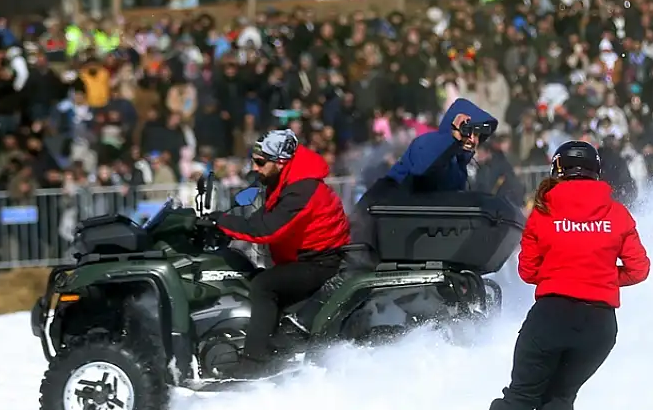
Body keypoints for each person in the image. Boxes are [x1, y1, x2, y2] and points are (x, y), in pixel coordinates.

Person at [444, 140, 652, 410]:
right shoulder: (617, 214)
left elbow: (527, 271)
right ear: (596, 170)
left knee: (522, 393)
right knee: (561, 396)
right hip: (600, 326)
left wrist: (566, 275)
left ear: (558, 169)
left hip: (552, 314)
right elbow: (639, 269)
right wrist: (599, 279)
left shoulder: (543, 211)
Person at [204, 129, 351, 378]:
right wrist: (224, 225)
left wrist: (223, 222)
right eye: (253, 159)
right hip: (302, 257)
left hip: (320, 262)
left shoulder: (302, 189)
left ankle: (253, 363)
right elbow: (262, 218)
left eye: (260, 162)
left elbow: (267, 230)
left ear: (280, 161)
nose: (255, 168)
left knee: (264, 285)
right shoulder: (284, 180)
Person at [341, 98, 499, 272]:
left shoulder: (459, 167)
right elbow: (424, 166)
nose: (473, 140)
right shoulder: (429, 142)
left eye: (478, 135)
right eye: (469, 132)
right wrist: (452, 138)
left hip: (405, 234)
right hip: (374, 224)